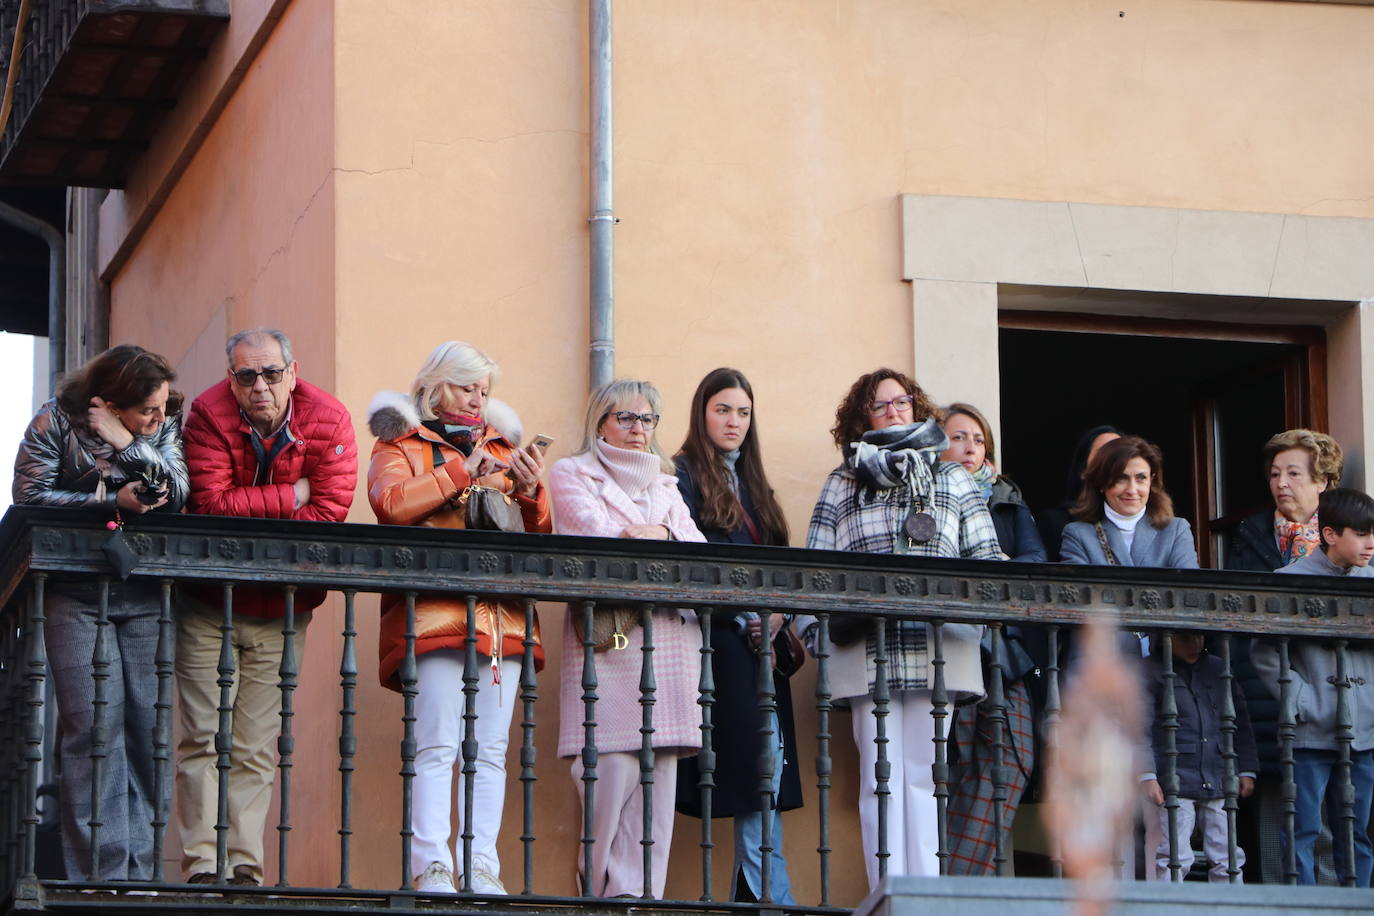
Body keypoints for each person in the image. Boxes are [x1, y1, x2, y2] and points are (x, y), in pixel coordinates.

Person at [797, 368, 1001, 889]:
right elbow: (813, 573)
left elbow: (988, 560)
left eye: (902, 402)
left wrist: (977, 625)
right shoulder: (843, 481)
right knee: (879, 781)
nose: (894, 411)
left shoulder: (951, 475)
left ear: (918, 408)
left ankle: (925, 898)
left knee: (928, 779)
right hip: (867, 650)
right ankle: (888, 895)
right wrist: (819, 637)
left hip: (940, 645)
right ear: (862, 417)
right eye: (881, 405)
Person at [367, 341, 551, 894]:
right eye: (469, 387)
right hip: (434, 615)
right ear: (439, 386)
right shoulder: (399, 441)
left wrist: (531, 490)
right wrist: (459, 472)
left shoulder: (502, 446)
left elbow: (538, 535)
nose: (479, 399)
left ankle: (482, 865)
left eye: (485, 390)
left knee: (490, 750)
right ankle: (433, 865)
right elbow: (391, 504)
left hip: (503, 618)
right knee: (439, 744)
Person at [177, 328, 357, 885]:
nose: (260, 386)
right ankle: (204, 866)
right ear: (231, 379)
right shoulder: (207, 413)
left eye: (271, 374)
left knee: (255, 745)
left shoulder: (328, 418)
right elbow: (209, 506)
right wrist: (291, 495)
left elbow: (329, 512)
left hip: (284, 606)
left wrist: (280, 504)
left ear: (293, 371)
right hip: (209, 601)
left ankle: (244, 869)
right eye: (246, 376)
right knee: (202, 737)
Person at [12, 345, 187, 881]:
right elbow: (28, 497)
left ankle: (141, 872)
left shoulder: (157, 424)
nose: (161, 418)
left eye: (161, 409)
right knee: (92, 727)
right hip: (74, 590)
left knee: (147, 728)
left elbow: (177, 490)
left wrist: (130, 442)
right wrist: (109, 502)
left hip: (143, 589)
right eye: (148, 411)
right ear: (107, 401)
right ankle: (101, 876)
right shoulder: (53, 421)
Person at [548, 379, 705, 898]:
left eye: (649, 419)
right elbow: (596, 540)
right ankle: (598, 896)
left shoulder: (667, 482)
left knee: (657, 788)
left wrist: (659, 536)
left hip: (668, 644)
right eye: (628, 417)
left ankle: (643, 900)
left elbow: (697, 551)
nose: (640, 429)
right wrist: (658, 539)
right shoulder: (573, 473)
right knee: (608, 776)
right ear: (601, 422)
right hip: (610, 644)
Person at [671, 368, 802, 904]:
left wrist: (778, 615)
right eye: (723, 409)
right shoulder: (680, 476)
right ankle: (772, 895)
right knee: (754, 772)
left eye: (743, 412)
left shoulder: (755, 485)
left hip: (762, 649)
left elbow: (782, 569)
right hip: (718, 647)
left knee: (763, 773)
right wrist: (747, 615)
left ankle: (758, 893)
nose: (734, 421)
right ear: (703, 412)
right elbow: (690, 565)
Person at [1222, 429, 1343, 883]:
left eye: (1294, 473)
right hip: (1266, 701)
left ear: (1323, 481)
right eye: (1275, 474)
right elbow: (1237, 626)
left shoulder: (1348, 539)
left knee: (1338, 825)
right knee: (1279, 831)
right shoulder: (1251, 535)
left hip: (1334, 700)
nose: (1281, 483)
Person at [938, 402, 1045, 875]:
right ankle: (949, 887)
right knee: (952, 771)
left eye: (978, 440)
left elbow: (1033, 567)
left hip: (1003, 651)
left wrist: (994, 556)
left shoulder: (1008, 499)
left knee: (1013, 761)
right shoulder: (925, 495)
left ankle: (954, 883)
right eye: (959, 437)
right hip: (949, 647)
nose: (969, 447)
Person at [1251, 487, 1374, 887]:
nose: (1370, 543)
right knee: (1301, 831)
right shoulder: (1289, 581)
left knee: (1357, 832)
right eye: (1361, 533)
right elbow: (1266, 651)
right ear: (1331, 534)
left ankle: (1357, 909)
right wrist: (1301, 700)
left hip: (1365, 730)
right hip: (1309, 733)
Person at [1138, 632, 1258, 882]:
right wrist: (1146, 774)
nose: (1195, 644)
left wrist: (1246, 769)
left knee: (1227, 858)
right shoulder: (1151, 670)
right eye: (1185, 638)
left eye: (1199, 637)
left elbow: (1241, 722)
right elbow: (1139, 727)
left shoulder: (1217, 668)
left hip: (1219, 773)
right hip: (1174, 776)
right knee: (1175, 857)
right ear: (1166, 639)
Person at [1060, 436, 1199, 571]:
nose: (1132, 490)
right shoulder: (1077, 534)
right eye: (1121, 478)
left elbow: (1189, 590)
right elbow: (1079, 593)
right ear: (1101, 482)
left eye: (1141, 478)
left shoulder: (1176, 530)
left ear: (1151, 481)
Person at [1036, 424, 1121, 562]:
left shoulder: (1159, 526)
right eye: (1103, 454)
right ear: (1083, 471)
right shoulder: (1057, 523)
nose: (1113, 463)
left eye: (1121, 454)